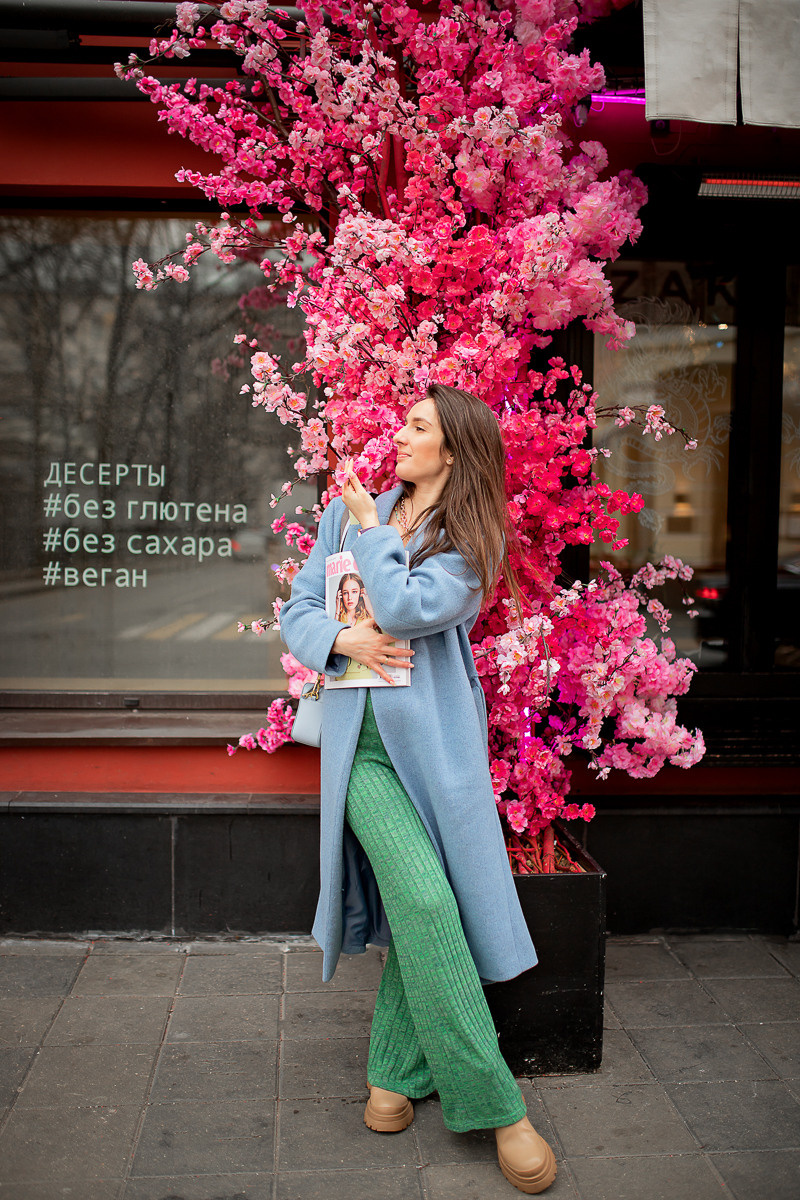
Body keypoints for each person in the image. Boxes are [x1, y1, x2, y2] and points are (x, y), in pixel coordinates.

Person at [279, 384, 557, 1194]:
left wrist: (373, 534)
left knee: (426, 904)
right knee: (433, 907)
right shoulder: (349, 512)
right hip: (355, 755)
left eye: (417, 426)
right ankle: (500, 1108)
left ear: (453, 449)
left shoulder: (471, 539)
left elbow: (402, 606)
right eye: (403, 422)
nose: (397, 435)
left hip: (436, 754)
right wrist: (341, 637)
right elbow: (299, 610)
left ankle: (391, 1080)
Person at [331, 572, 377, 683]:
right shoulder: (338, 619)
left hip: (365, 678)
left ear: (361, 593)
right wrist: (337, 609)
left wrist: (368, 605)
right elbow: (330, 638)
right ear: (340, 595)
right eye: (345, 593)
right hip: (340, 683)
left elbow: (383, 634)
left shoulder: (366, 618)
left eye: (354, 592)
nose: (350, 597)